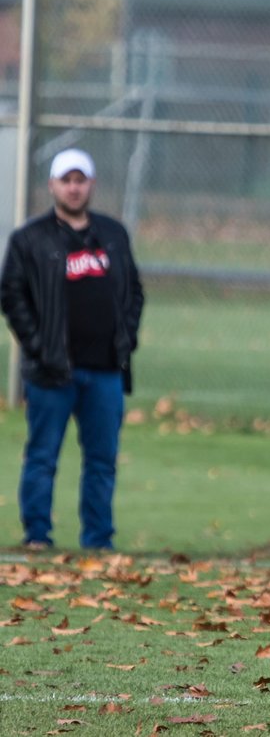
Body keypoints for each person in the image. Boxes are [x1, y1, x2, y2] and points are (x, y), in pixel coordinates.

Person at [1, 148, 144, 551]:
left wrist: (126, 339)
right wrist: (38, 344)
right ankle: (37, 536)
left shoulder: (113, 235)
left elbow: (134, 291)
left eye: (81, 180)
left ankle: (98, 539)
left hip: (105, 370)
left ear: (91, 185)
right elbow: (12, 295)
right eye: (66, 180)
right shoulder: (30, 238)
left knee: (102, 461)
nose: (74, 188)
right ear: (53, 186)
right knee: (43, 456)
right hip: (52, 371)